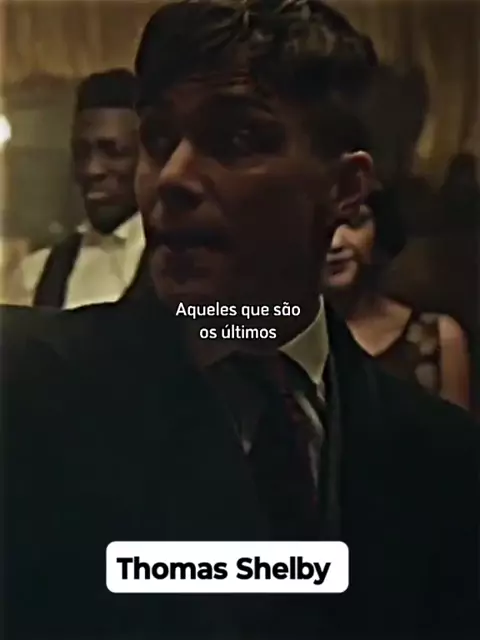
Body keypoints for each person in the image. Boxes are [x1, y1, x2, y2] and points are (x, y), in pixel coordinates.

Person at [3, 2, 479, 639]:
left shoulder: (443, 459)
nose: (172, 179)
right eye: (159, 140)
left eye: (236, 140)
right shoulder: (23, 390)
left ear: (345, 190)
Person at [323, 187, 471, 409]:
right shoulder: (283, 338)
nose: (336, 242)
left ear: (380, 232)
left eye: (354, 223)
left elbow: (459, 431)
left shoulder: (438, 337)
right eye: (323, 227)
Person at [9, 68, 145, 308]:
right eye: (82, 153)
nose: (92, 169)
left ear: (148, 157)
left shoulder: (184, 262)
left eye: (113, 152)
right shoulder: (38, 274)